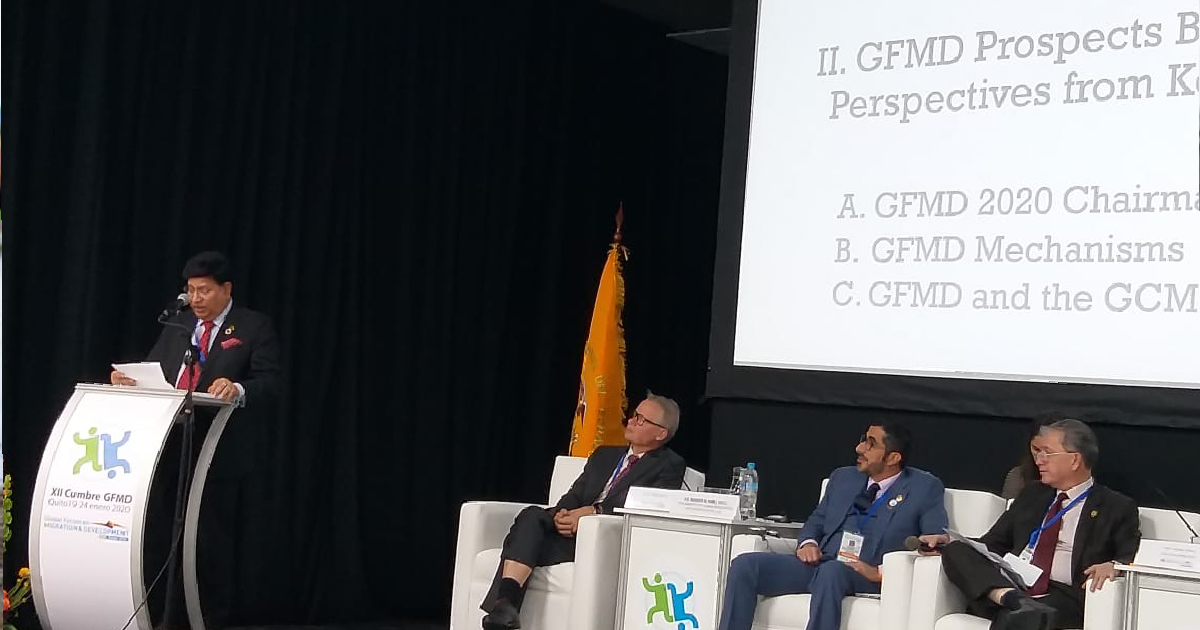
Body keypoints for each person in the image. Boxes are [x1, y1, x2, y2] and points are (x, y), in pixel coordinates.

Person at [111, 251, 281, 628]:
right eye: (190, 290)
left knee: (208, 540)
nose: (196, 298)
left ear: (226, 289)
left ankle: (210, 618)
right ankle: (163, 614)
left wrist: (237, 388)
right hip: (168, 447)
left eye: (204, 290)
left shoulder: (252, 326)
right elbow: (158, 370)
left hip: (218, 451)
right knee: (159, 533)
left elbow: (271, 383)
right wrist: (130, 379)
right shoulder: (181, 325)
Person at [480, 391, 687, 630]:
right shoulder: (604, 454)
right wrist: (564, 514)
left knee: (521, 542)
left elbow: (647, 504)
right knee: (531, 516)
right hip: (568, 531)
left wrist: (593, 512)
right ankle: (505, 609)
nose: (631, 421)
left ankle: (503, 607)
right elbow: (576, 493)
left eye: (641, 420)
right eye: (634, 415)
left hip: (601, 539)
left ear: (661, 433)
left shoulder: (669, 465)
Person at [718, 423, 948, 630]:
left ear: (893, 458)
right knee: (745, 565)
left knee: (832, 572)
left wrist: (880, 572)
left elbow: (935, 539)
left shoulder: (923, 488)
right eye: (863, 439)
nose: (859, 448)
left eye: (871, 444)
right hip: (820, 564)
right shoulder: (843, 478)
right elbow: (817, 520)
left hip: (865, 574)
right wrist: (808, 543)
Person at [920, 419, 1140, 630]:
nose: (1039, 460)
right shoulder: (1033, 494)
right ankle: (1012, 598)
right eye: (1038, 452)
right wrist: (948, 541)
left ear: (1074, 460)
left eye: (1047, 453)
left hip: (1062, 595)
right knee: (957, 549)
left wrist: (1114, 565)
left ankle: (1015, 605)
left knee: (1023, 616)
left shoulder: (1116, 506)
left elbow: (1130, 555)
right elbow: (992, 544)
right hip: (1012, 582)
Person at [1000, 412, 1067, 500]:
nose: (1040, 459)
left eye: (1048, 451)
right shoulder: (1018, 476)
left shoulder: (1078, 480)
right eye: (1036, 449)